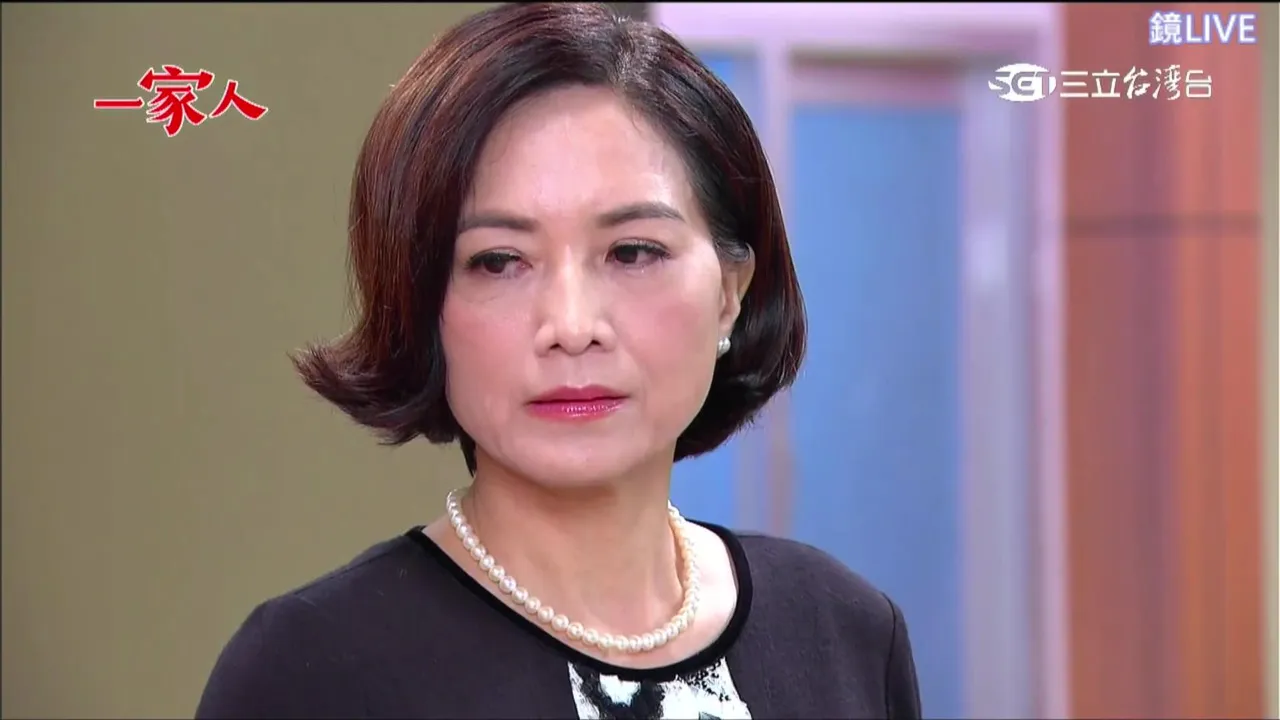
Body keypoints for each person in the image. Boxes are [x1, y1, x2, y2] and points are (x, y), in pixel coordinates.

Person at [195, 3, 921, 718]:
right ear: (421, 302)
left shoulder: (845, 632)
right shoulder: (315, 669)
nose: (571, 328)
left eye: (633, 252)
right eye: (499, 261)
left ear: (731, 292)